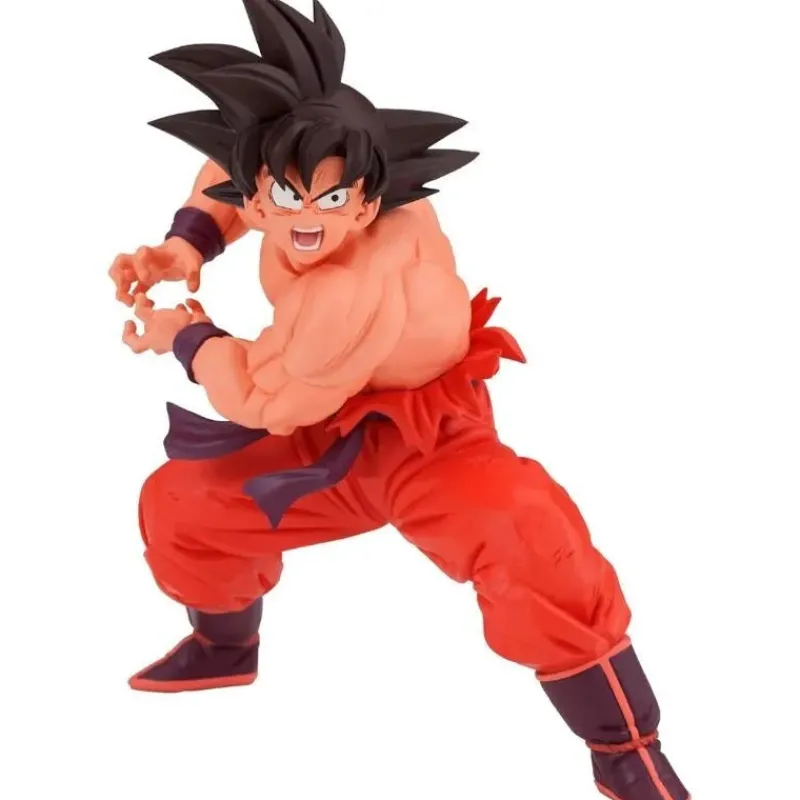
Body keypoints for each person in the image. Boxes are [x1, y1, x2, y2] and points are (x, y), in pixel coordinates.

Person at [111, 3, 689, 799]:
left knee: (526, 533)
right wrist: (188, 241)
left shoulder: (350, 291)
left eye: (329, 202)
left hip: (428, 436)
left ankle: (625, 747)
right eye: (283, 197)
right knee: (183, 505)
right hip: (328, 423)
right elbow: (232, 167)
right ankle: (224, 647)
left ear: (368, 199)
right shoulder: (305, 171)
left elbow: (260, 398)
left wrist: (185, 336)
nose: (302, 220)